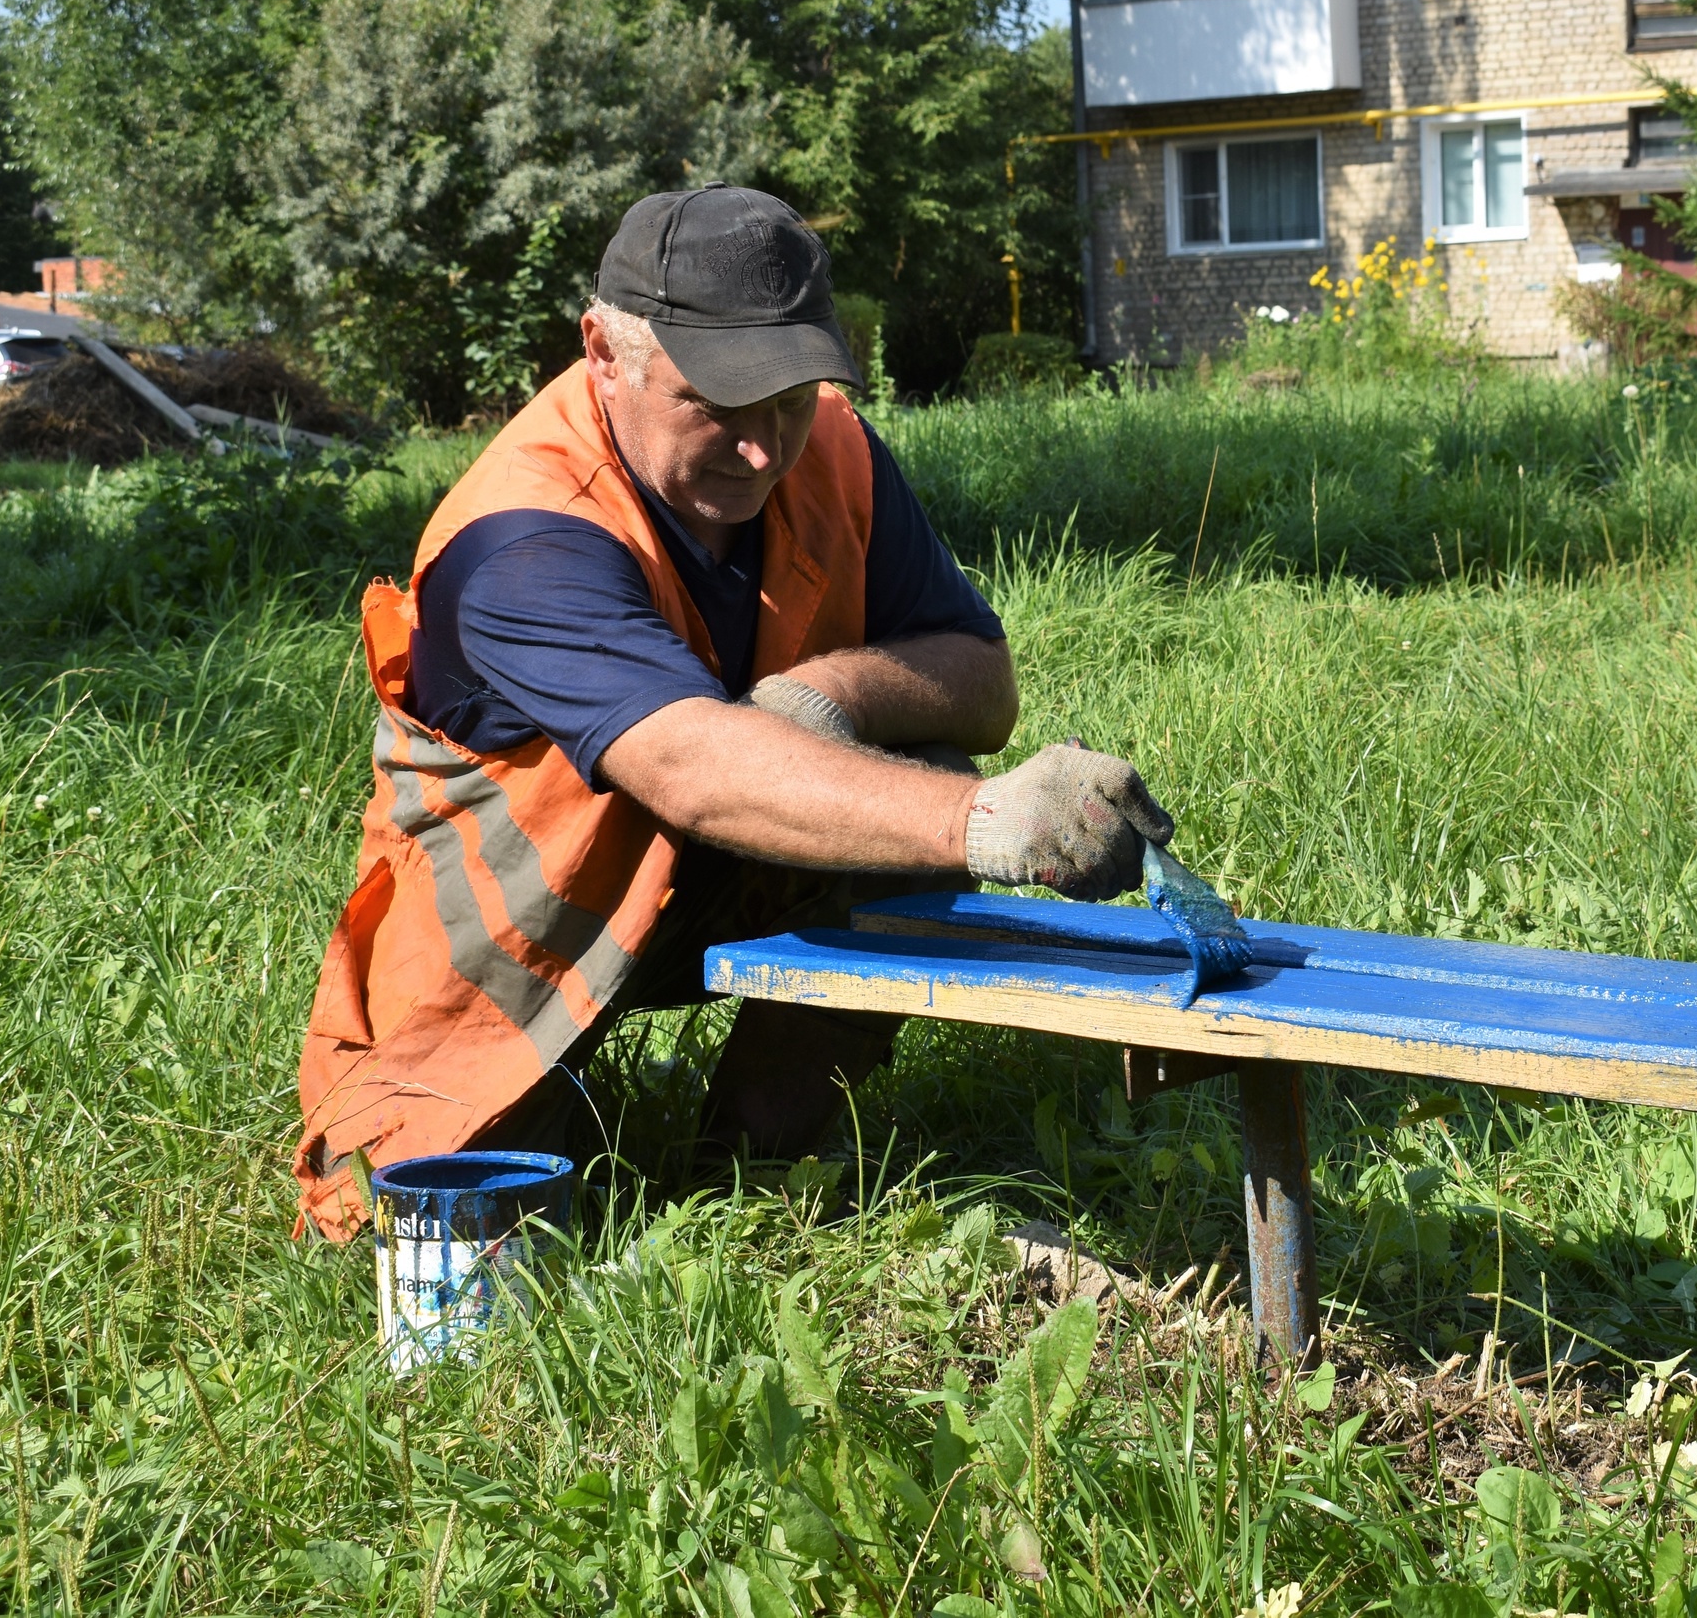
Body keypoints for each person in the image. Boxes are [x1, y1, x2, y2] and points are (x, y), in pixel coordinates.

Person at [294, 185, 1172, 1239]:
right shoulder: (524, 534)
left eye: (790, 399)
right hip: (512, 933)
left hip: (716, 859)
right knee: (448, 1225)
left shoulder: (832, 450)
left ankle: (762, 1180)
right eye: (717, 402)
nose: (764, 450)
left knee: (921, 769)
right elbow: (691, 767)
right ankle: (476, 1133)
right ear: (603, 353)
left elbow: (983, 681)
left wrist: (826, 694)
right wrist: (985, 821)